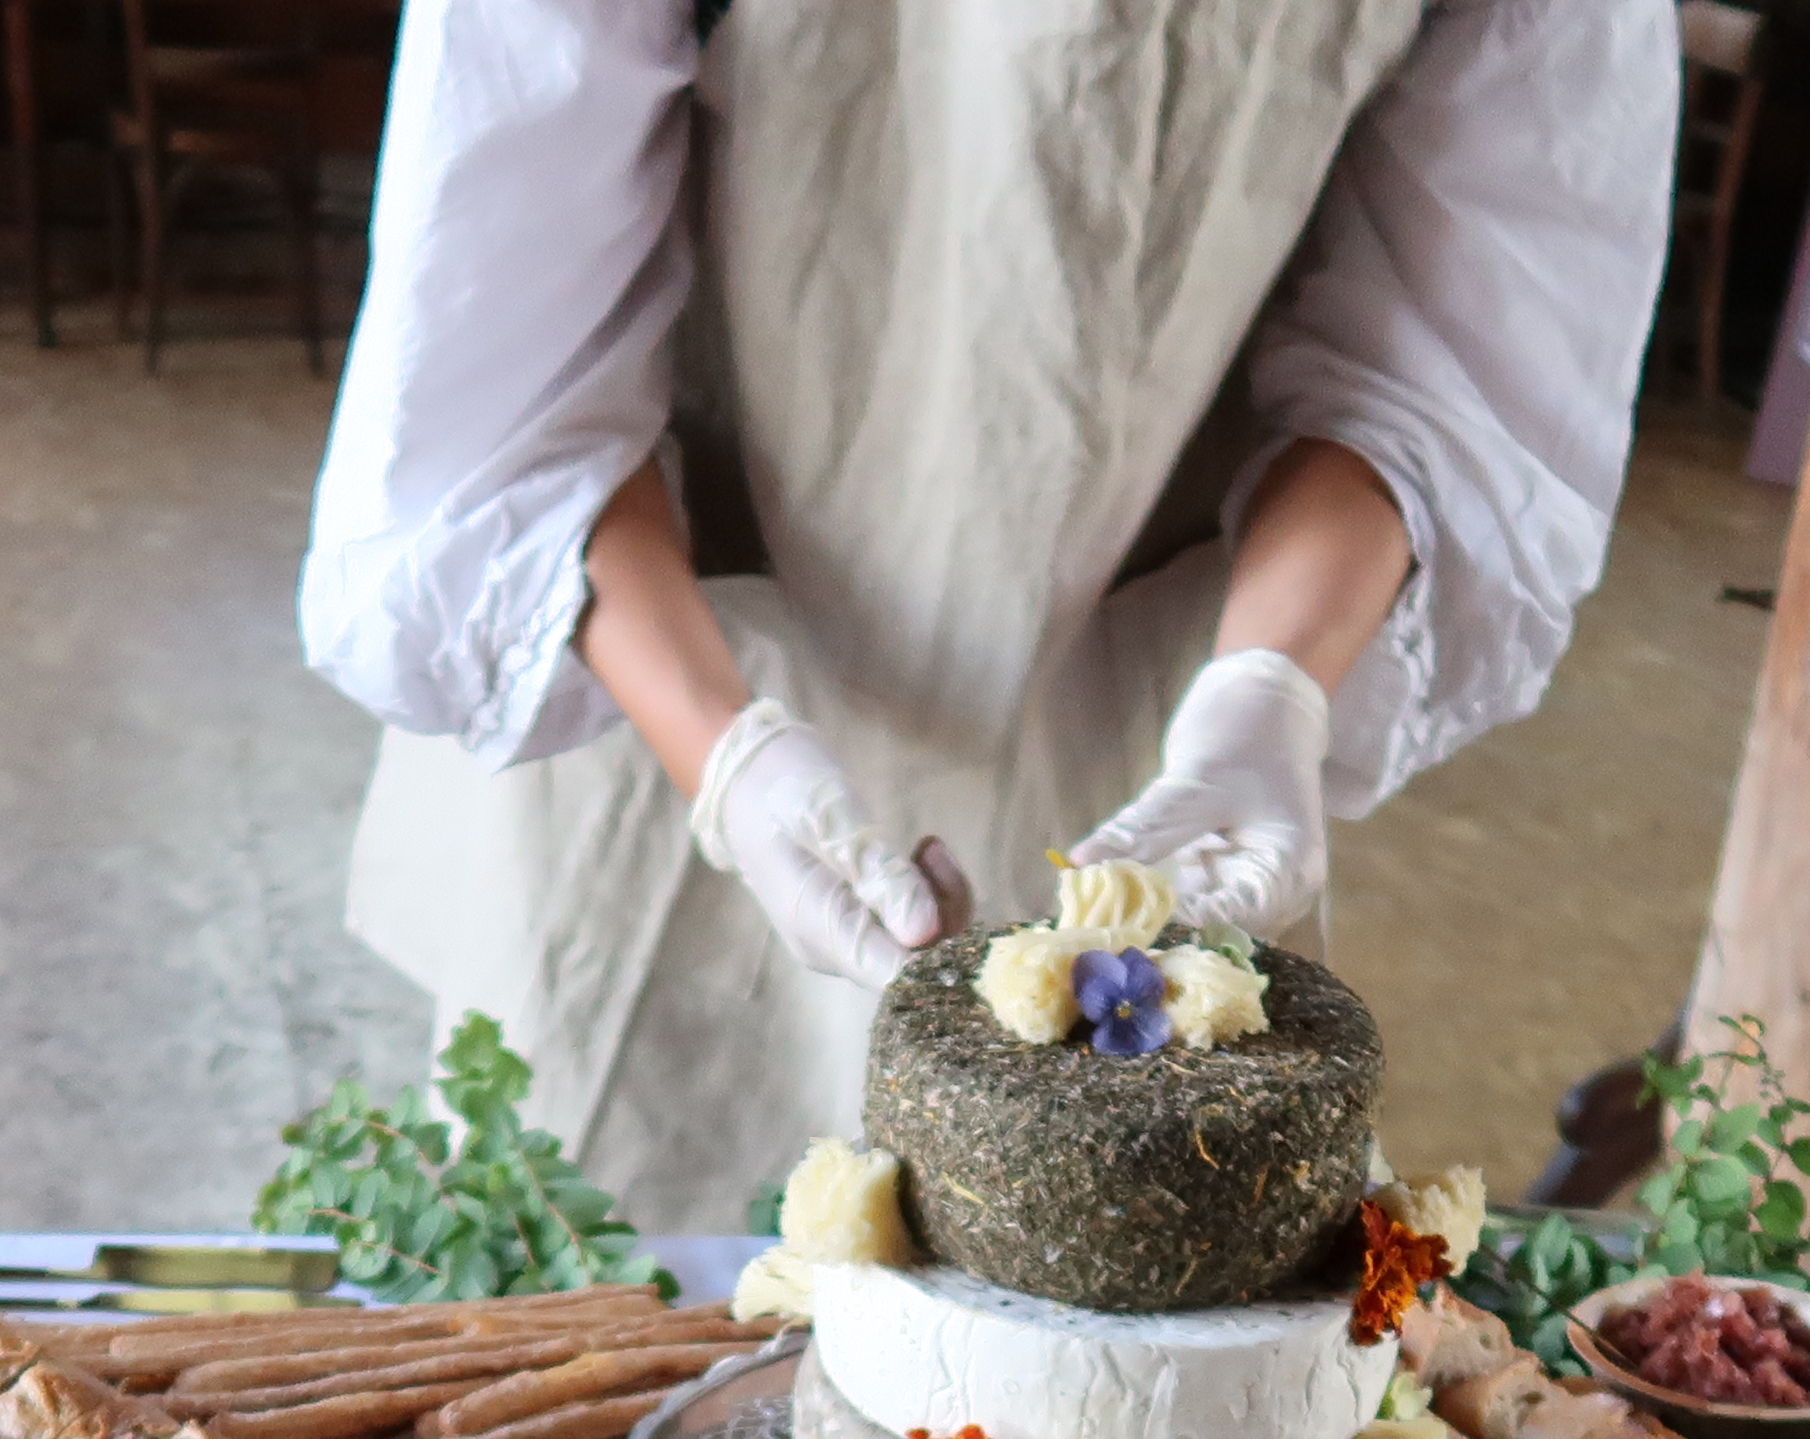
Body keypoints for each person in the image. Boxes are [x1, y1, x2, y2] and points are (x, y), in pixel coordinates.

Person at [301, 0, 1678, 1215]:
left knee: (1132, 1352)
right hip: (676, 680)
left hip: (1150, 728)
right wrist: (729, 764)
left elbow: (1441, 373)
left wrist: (1271, 692)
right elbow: (511, 409)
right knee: (631, 1307)